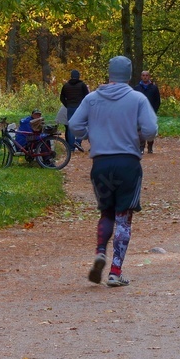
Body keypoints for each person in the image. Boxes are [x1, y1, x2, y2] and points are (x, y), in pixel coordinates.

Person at [70, 56, 158, 288]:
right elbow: (150, 130)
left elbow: (74, 126)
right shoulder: (137, 98)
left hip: (100, 164)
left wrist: (92, 134)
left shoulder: (91, 98)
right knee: (124, 218)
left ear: (109, 73)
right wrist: (137, 136)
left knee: (106, 212)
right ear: (129, 75)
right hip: (128, 163)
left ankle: (100, 251)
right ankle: (115, 272)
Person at [60, 70, 90, 152]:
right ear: (78, 76)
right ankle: (78, 141)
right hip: (80, 108)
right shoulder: (82, 85)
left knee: (70, 127)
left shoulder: (66, 86)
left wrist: (67, 105)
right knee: (84, 125)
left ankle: (71, 147)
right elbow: (87, 96)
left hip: (70, 108)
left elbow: (61, 98)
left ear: (71, 76)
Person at [132, 70, 161, 153]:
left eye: (146, 75)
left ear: (149, 77)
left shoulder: (154, 88)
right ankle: (141, 147)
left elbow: (157, 101)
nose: (145, 77)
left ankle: (150, 147)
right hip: (139, 112)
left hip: (151, 112)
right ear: (141, 77)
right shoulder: (137, 88)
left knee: (151, 130)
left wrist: (154, 111)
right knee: (140, 131)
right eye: (143, 75)